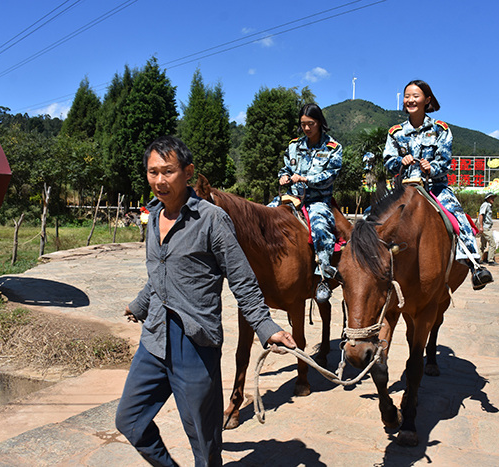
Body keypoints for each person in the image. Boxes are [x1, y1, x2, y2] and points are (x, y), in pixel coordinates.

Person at [115, 136, 296, 467]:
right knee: (129, 420)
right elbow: (159, 273)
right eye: (153, 172)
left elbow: (242, 279)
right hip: (154, 338)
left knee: (205, 442)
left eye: (168, 171)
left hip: (195, 344)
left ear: (188, 173)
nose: (159, 180)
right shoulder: (153, 216)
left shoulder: (212, 219)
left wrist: (266, 326)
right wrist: (139, 305)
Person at [383, 79, 492, 290]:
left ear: (427, 100)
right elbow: (388, 161)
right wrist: (400, 161)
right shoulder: (395, 132)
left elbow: (445, 161)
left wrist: (431, 167)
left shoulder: (441, 129)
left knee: (458, 218)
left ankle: (475, 265)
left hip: (434, 187)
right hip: (403, 188)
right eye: (407, 96)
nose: (410, 100)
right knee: (371, 217)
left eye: (415, 96)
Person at [271, 103, 342, 303]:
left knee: (320, 228)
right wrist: (283, 177)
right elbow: (285, 168)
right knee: (262, 217)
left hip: (317, 200)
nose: (307, 128)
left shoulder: (333, 147)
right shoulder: (294, 145)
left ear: (319, 122)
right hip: (292, 197)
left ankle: (323, 278)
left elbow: (330, 175)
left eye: (311, 123)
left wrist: (305, 179)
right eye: (303, 124)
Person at [478, 193, 498, 266]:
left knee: (482, 244)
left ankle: (479, 259)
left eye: (493, 197)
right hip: (485, 228)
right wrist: (481, 226)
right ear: (487, 198)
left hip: (486, 227)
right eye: (491, 197)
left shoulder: (488, 205)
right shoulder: (485, 205)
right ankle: (490, 260)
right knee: (492, 244)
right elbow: (481, 215)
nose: (493, 199)